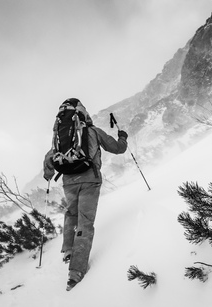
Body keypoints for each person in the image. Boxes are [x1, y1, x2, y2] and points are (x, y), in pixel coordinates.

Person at [43, 98, 128, 291]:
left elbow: (49, 159)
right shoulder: (93, 131)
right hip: (90, 180)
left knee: (71, 214)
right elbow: (117, 148)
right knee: (85, 222)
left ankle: (68, 250)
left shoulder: (60, 137)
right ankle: (76, 272)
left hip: (68, 181)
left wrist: (48, 174)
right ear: (83, 113)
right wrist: (122, 137)